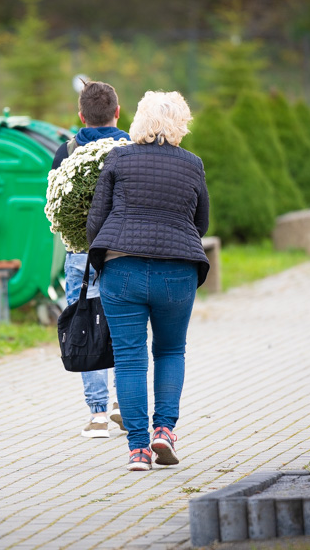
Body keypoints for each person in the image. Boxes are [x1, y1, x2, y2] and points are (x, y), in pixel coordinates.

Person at [86, 90, 209, 471]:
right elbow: (201, 222)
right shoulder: (193, 164)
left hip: (123, 271)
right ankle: (164, 431)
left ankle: (138, 449)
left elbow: (96, 219)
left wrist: (102, 253)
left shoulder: (118, 157)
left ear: (138, 120)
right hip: (177, 272)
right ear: (180, 123)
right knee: (171, 351)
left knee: (129, 357)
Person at [51, 80, 130, 439]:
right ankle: (123, 404)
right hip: (124, 249)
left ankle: (98, 415)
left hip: (80, 253)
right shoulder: (131, 148)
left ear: (81, 116)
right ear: (117, 112)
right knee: (125, 322)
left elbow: (56, 202)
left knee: (85, 325)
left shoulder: (66, 151)